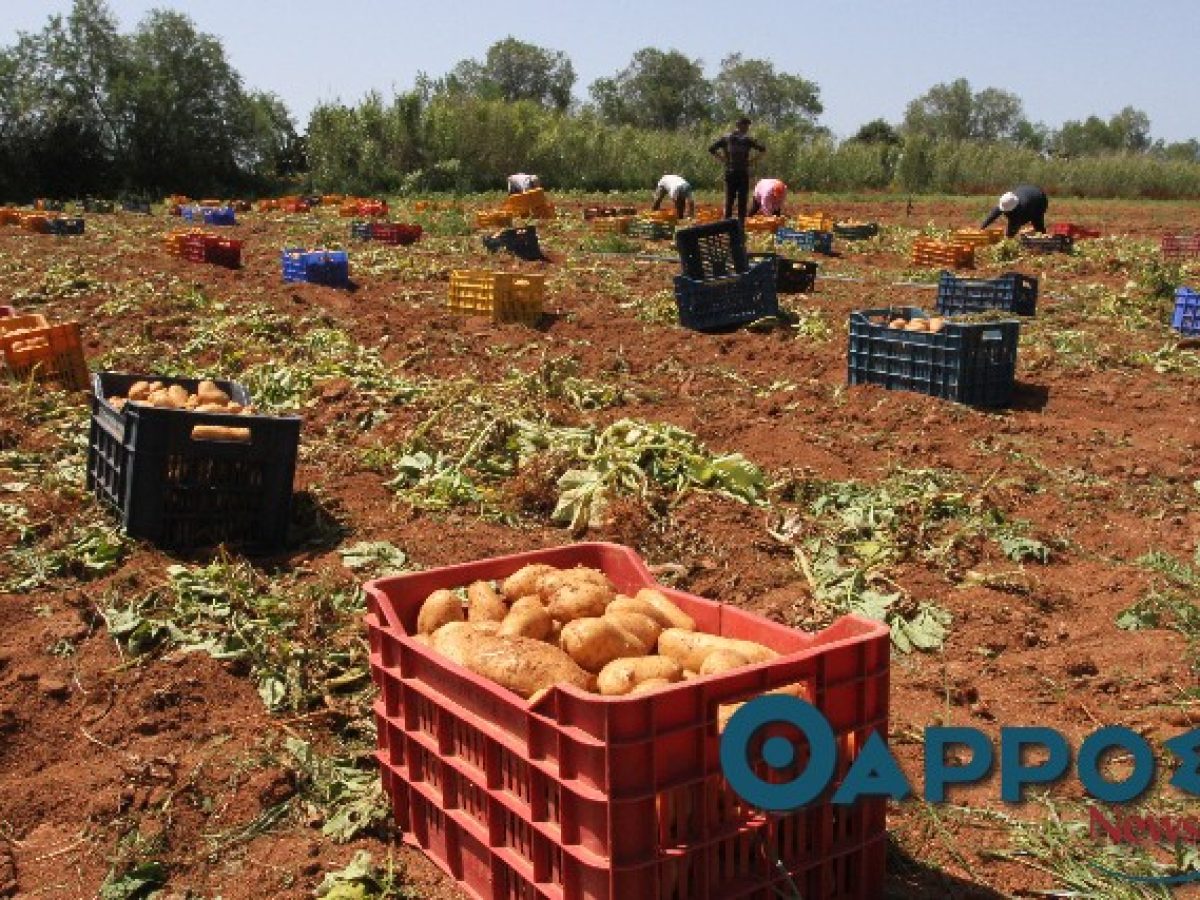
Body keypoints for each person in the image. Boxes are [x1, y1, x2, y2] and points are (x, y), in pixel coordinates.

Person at [708, 116, 766, 221]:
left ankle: (740, 224)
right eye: (744, 125)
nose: (746, 128)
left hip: (742, 172)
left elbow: (763, 150)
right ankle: (727, 223)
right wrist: (723, 160)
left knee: (742, 200)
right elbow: (711, 149)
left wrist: (751, 162)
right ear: (738, 125)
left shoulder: (748, 140)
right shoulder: (727, 138)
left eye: (747, 126)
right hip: (731, 172)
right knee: (730, 199)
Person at [980, 184, 1048, 237]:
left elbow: (1014, 225)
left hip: (1039, 199)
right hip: (1027, 191)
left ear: (1013, 208)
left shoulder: (1021, 207)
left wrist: (1007, 239)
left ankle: (1044, 238)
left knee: (1037, 223)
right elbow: (993, 215)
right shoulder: (1007, 201)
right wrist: (982, 227)